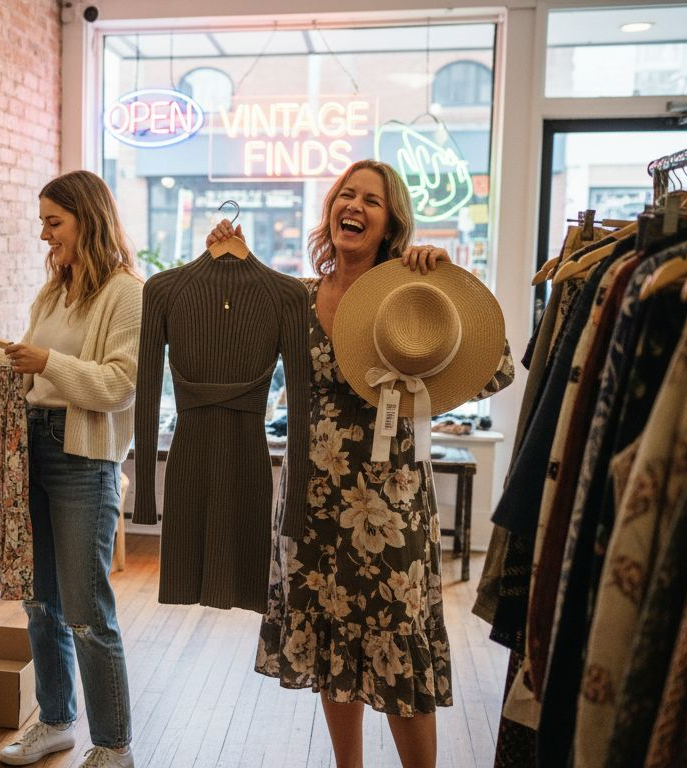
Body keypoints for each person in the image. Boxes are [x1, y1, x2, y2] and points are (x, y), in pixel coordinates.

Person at [206, 159, 513, 768]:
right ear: (330, 212)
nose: (355, 205)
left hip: (390, 504)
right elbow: (228, 340)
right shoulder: (296, 298)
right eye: (346, 195)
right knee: (330, 641)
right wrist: (225, 265)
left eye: (372, 200)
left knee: (398, 646)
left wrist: (448, 285)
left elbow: (495, 367)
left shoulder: (410, 297)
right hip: (310, 500)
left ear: (391, 222)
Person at [0, 170, 142, 768]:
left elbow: (120, 386)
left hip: (83, 461)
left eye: (54, 222)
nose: (45, 235)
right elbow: (21, 367)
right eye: (43, 223)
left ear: (88, 220)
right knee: (39, 601)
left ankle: (114, 746)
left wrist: (48, 360)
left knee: (87, 613)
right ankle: (54, 722)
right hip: (30, 448)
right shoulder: (53, 292)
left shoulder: (127, 293)